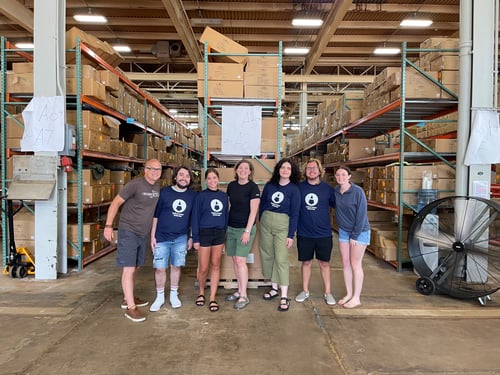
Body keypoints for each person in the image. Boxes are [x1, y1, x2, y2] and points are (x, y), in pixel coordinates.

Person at [103, 159, 162, 322]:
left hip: (143, 233)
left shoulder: (157, 187)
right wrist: (108, 225)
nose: (155, 172)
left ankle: (127, 297)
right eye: (152, 169)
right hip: (129, 231)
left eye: (158, 169)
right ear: (145, 169)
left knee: (136, 266)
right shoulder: (135, 185)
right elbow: (115, 203)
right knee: (129, 268)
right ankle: (131, 308)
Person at [149, 166, 197, 312]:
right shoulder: (164, 193)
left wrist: (191, 237)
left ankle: (174, 295)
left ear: (190, 179)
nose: (184, 178)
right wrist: (152, 236)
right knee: (160, 268)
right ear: (175, 177)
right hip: (161, 237)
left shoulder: (193, 196)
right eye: (181, 175)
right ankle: (160, 296)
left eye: (187, 176)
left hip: (181, 237)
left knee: (176, 266)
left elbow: (193, 219)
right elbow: (155, 215)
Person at [259, 157, 301, 312]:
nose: (285, 170)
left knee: (281, 258)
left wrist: (291, 235)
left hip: (283, 225)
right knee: (267, 255)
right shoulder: (270, 186)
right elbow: (262, 204)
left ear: (292, 172)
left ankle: (284, 295)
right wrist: (262, 219)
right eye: (282, 167)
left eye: (288, 168)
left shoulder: (294, 190)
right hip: (266, 222)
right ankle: (274, 288)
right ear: (278, 169)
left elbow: (295, 213)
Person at [295, 158, 337, 306]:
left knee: (324, 263)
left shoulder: (328, 189)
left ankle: (328, 292)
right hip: (304, 233)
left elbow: (337, 206)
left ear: (320, 171)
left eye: (314, 168)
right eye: (308, 169)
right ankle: (305, 290)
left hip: (323, 233)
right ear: (305, 172)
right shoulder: (299, 188)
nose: (311, 171)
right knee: (306, 262)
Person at [224, 159, 261, 310]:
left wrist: (247, 231)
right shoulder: (231, 186)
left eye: (246, 168)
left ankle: (244, 295)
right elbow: (228, 206)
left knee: (240, 260)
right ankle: (239, 289)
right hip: (231, 227)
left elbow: (253, 212)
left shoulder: (253, 188)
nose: (243, 170)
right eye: (241, 168)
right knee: (234, 259)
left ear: (250, 172)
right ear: (236, 170)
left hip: (245, 229)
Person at [191, 168, 229, 312]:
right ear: (206, 181)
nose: (212, 181)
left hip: (218, 234)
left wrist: (224, 234)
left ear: (218, 179)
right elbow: (195, 218)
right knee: (203, 267)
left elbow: (225, 216)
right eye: (209, 178)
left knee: (215, 265)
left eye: (214, 178)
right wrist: (195, 238)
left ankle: (212, 297)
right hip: (204, 233)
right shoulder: (200, 196)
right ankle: (201, 292)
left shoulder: (224, 196)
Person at [333, 165, 370, 309]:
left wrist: (354, 235)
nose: (340, 178)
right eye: (337, 175)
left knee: (355, 264)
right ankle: (349, 293)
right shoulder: (336, 191)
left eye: (343, 175)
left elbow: (361, 215)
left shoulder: (357, 192)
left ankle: (356, 297)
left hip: (359, 232)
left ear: (349, 176)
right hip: (344, 231)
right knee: (345, 263)